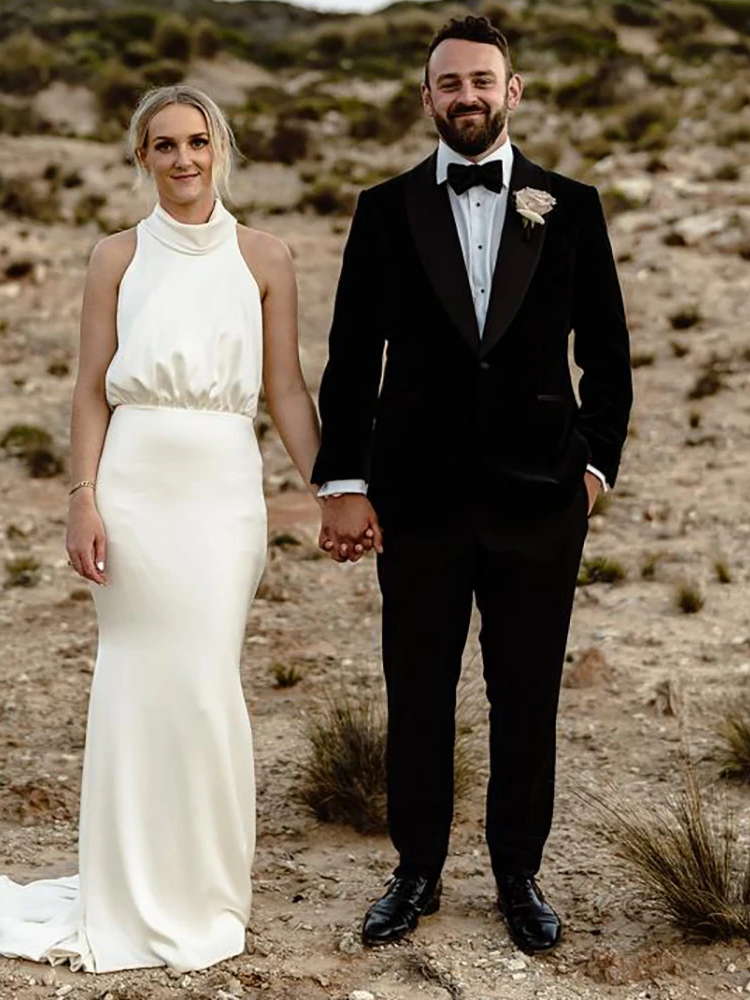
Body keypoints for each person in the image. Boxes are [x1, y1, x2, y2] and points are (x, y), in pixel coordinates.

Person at [0, 84, 321, 974]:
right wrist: (81, 495)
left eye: (198, 142)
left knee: (204, 683)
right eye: (164, 146)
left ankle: (204, 890)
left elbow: (284, 392)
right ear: (142, 159)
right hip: (135, 486)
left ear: (222, 148)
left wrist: (334, 490)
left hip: (222, 490)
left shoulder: (266, 256)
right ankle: (126, 889)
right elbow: (90, 387)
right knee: (135, 681)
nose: (184, 160)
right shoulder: (114, 256)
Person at [313, 15, 633, 954]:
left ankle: (517, 874)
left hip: (542, 499)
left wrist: (592, 468)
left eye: (482, 81)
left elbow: (608, 356)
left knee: (527, 692)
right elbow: (348, 359)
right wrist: (345, 479)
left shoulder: (570, 204)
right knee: (418, 686)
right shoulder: (384, 208)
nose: (467, 97)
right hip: (417, 498)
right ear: (427, 98)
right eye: (449, 83)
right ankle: (414, 870)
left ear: (513, 91)